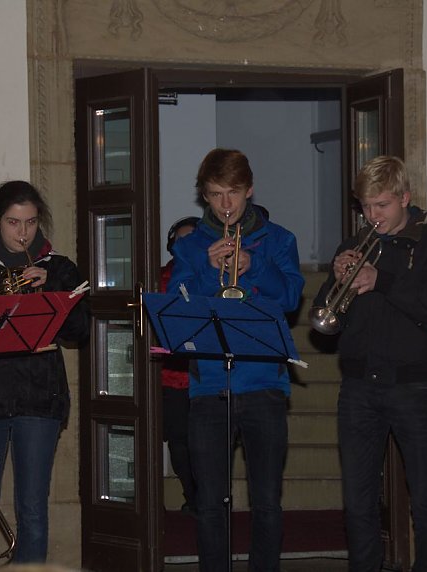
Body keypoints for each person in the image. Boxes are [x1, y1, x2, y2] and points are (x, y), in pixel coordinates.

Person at [313, 155, 427, 572]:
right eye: (365, 206)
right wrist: (337, 281)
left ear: (404, 198)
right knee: (358, 499)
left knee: (426, 498)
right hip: (358, 387)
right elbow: (327, 317)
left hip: (413, 386)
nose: (372, 215)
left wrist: (382, 280)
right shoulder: (353, 244)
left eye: (382, 206)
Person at [166, 148, 304, 571]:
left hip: (264, 386)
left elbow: (291, 298)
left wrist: (254, 265)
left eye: (233, 193)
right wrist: (209, 271)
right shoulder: (190, 247)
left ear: (250, 190)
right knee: (209, 503)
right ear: (203, 197)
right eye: (215, 195)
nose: (226, 205)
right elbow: (177, 308)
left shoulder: (278, 240)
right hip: (209, 389)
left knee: (266, 501)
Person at [0, 180, 89, 568]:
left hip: (38, 399)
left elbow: (80, 333)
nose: (23, 232)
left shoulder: (60, 268)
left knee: (33, 508)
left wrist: (56, 290)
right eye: (13, 222)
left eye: (30, 222)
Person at [161, 215, 200, 514]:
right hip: (172, 375)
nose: (185, 245)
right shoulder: (163, 277)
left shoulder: (212, 276)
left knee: (206, 443)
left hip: (205, 376)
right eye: (180, 240)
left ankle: (210, 497)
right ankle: (192, 495)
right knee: (178, 441)